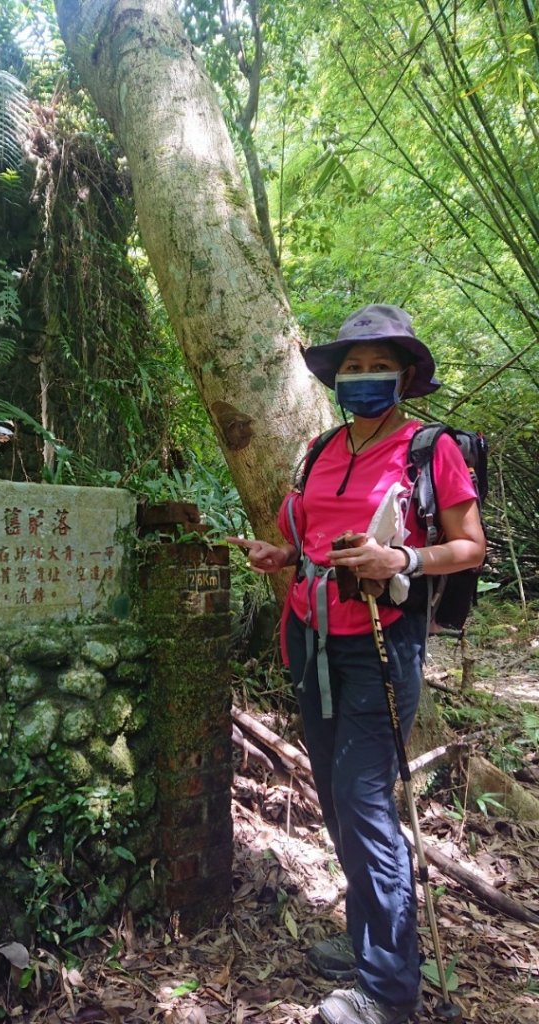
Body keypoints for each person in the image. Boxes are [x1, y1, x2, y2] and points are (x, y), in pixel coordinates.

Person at [228, 305, 486, 1024]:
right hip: (313, 638)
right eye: (351, 366)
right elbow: (304, 537)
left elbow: (470, 547)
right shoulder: (318, 450)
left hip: (382, 641)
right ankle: (372, 941)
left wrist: (400, 557)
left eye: (378, 366)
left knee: (366, 802)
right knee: (338, 799)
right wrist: (280, 556)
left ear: (404, 376)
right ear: (335, 377)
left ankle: (387, 991)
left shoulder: (428, 449)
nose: (363, 377)